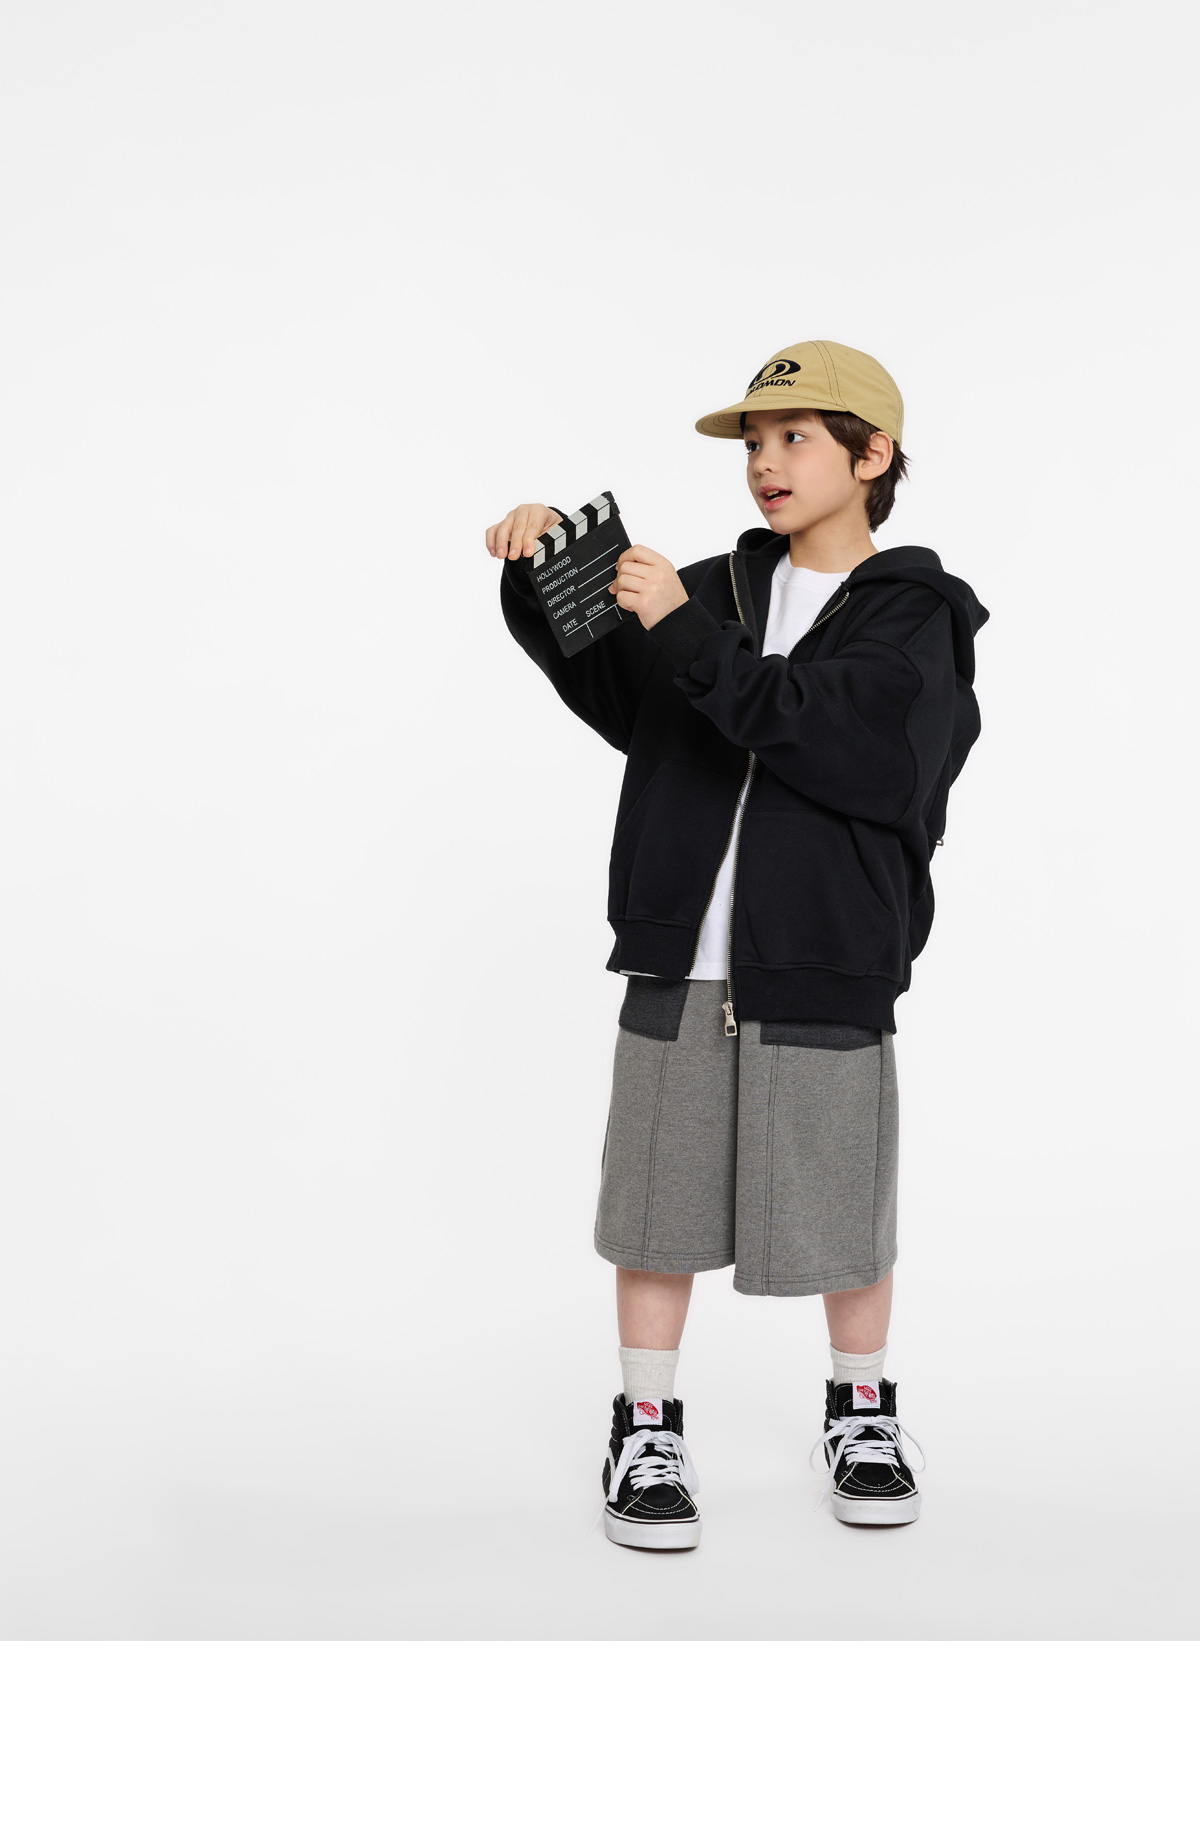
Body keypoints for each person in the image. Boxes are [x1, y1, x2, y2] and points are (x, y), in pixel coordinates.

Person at [485, 340, 988, 1549]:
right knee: (652, 1203)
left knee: (839, 1195)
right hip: (683, 948)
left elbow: (846, 744)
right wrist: (546, 572)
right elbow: (628, 699)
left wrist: (689, 634)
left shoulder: (916, 616)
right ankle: (646, 1424)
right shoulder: (713, 589)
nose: (765, 462)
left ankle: (862, 1410)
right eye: (754, 442)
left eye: (795, 437)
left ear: (871, 455)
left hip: (824, 950)